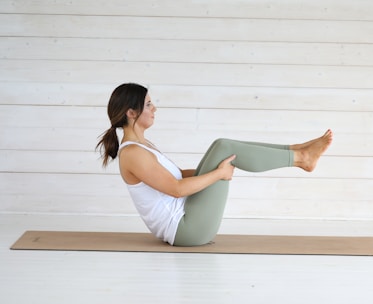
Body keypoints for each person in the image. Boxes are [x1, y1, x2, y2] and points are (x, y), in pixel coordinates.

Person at [97, 83, 333, 246]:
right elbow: (176, 188)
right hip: (185, 230)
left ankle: (295, 151)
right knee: (224, 148)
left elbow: (178, 174)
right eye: (148, 104)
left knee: (222, 146)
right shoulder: (133, 153)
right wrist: (218, 173)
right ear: (131, 112)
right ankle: (301, 157)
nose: (154, 108)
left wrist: (215, 170)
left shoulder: (143, 146)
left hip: (188, 221)